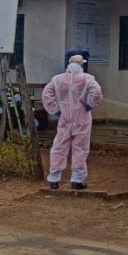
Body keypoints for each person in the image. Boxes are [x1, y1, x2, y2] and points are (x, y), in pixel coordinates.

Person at [42, 54, 103, 190]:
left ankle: (54, 178)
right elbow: (97, 92)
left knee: (59, 147)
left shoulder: (57, 79)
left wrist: (55, 110)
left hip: (64, 117)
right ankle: (77, 179)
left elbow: (46, 95)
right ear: (81, 65)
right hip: (82, 117)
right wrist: (90, 104)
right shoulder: (87, 78)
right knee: (80, 148)